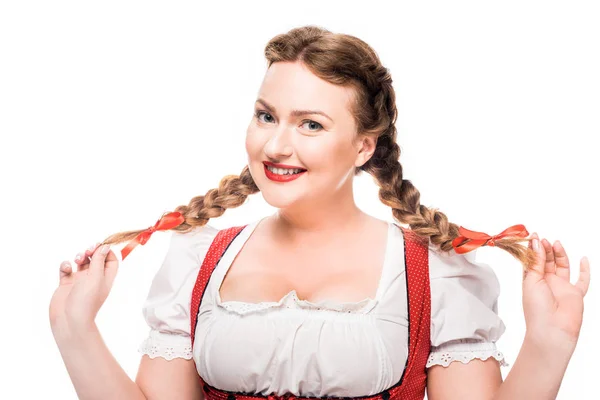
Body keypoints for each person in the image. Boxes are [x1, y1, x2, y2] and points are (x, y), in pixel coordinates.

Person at [49, 25, 590, 400]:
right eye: (266, 116)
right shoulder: (197, 262)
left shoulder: (438, 275)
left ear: (363, 147)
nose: (277, 145)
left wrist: (547, 344)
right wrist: (75, 330)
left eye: (311, 124)